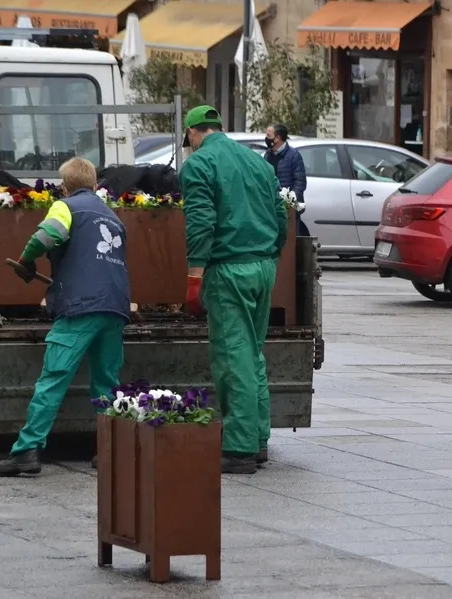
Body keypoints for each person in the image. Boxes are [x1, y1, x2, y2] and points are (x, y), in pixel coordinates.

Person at [0, 158, 130, 476]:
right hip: (115, 308)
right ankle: (112, 452)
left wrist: (27, 261)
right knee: (106, 384)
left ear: (64, 186)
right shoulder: (112, 217)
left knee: (53, 378)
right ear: (95, 185)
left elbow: (45, 237)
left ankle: (26, 450)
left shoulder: (66, 207)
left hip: (81, 307)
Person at [183, 106, 288, 475]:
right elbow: (281, 215)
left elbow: (200, 224)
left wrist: (194, 279)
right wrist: (271, 254)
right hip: (263, 266)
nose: (190, 145)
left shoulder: (198, 165)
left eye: (188, 140)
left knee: (232, 357)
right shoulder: (259, 162)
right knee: (253, 354)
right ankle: (258, 438)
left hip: (228, 270)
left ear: (194, 133)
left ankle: (239, 447)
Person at [264, 123, 306, 205]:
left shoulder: (293, 155)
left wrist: (289, 200)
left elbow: (300, 182)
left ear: (278, 138)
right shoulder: (268, 155)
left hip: (289, 206)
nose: (266, 139)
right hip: (272, 204)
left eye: (269, 136)